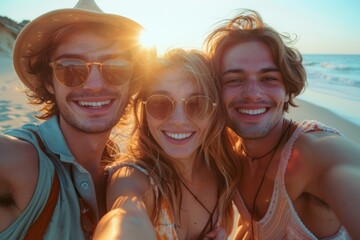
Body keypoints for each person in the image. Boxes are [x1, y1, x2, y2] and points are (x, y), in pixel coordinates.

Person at [0, 0, 151, 239]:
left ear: (130, 82)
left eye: (116, 68)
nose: (94, 85)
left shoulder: (122, 170)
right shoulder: (24, 160)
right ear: (49, 82)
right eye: (70, 68)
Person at [205, 10, 360, 239]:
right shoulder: (234, 154)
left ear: (288, 90)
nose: (252, 94)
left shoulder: (317, 153)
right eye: (234, 80)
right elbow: (253, 228)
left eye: (268, 78)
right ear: (215, 91)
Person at [93, 49, 241, 240]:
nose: (179, 120)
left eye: (197, 104)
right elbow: (125, 218)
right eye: (160, 103)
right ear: (144, 110)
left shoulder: (224, 175)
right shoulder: (133, 179)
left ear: (215, 112)